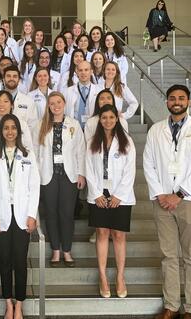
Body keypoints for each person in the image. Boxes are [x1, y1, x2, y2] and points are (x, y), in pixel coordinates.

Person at [0, 114, 39, 319]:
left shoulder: (28, 154)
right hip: (2, 215)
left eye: (13, 128)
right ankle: (8, 302)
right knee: (5, 261)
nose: (9, 131)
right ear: (0, 131)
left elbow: (34, 188)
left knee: (20, 262)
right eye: (6, 128)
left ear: (18, 130)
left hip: (23, 215)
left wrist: (32, 215)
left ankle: (20, 305)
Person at [143, 84, 191, 319]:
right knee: (169, 255)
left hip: (188, 200)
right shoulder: (156, 130)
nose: (176, 101)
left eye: (181, 98)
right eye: (172, 98)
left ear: (188, 102)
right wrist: (161, 194)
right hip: (162, 202)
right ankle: (171, 305)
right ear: (167, 102)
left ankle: (190, 307)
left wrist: (179, 194)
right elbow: (148, 162)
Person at [86, 104, 136, 298]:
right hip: (99, 195)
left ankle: (120, 277)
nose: (107, 120)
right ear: (100, 120)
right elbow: (88, 168)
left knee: (119, 236)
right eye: (104, 117)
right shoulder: (92, 141)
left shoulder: (127, 142)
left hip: (120, 196)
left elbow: (130, 171)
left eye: (111, 117)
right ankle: (103, 276)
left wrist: (119, 195)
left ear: (117, 119)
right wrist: (97, 193)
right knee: (102, 233)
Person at [38, 92, 86, 267]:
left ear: (64, 103)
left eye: (58, 102)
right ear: (48, 106)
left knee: (66, 214)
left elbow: (81, 150)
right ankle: (55, 251)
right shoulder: (41, 125)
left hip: (69, 176)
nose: (56, 106)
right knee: (51, 214)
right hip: (48, 176)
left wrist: (81, 173)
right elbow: (36, 153)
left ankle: (67, 250)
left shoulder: (74, 124)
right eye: (52, 103)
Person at [0, 65, 39, 136]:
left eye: (15, 76)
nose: (11, 79)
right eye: (8, 76)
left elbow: (33, 127)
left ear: (19, 80)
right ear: (3, 79)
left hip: (21, 142)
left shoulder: (29, 102)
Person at [0, 90, 34, 156]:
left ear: (12, 106)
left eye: (6, 101)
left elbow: (29, 149)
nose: (2, 104)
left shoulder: (22, 125)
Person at [62, 61, 99, 129]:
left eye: (86, 70)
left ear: (91, 72)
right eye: (80, 70)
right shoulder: (67, 91)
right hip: (73, 129)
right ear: (77, 72)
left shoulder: (99, 91)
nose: (83, 73)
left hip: (93, 129)